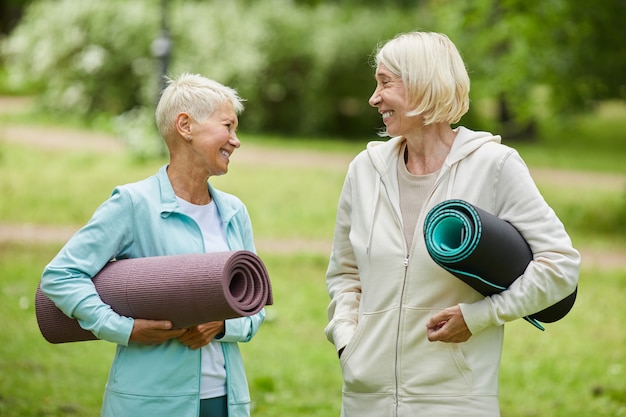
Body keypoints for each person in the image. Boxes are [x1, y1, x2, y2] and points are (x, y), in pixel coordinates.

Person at [324, 31, 580, 416]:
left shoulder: (494, 166)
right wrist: (348, 341)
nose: (374, 98)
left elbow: (561, 266)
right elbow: (345, 274)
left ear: (423, 84)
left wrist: (481, 317)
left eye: (385, 83)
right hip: (365, 399)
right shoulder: (364, 170)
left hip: (455, 399)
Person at [40, 73, 264, 417]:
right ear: (185, 126)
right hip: (149, 404)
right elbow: (61, 275)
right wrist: (123, 328)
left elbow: (254, 306)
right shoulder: (132, 204)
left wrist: (221, 325)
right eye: (227, 126)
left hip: (226, 401)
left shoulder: (234, 212)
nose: (236, 140)